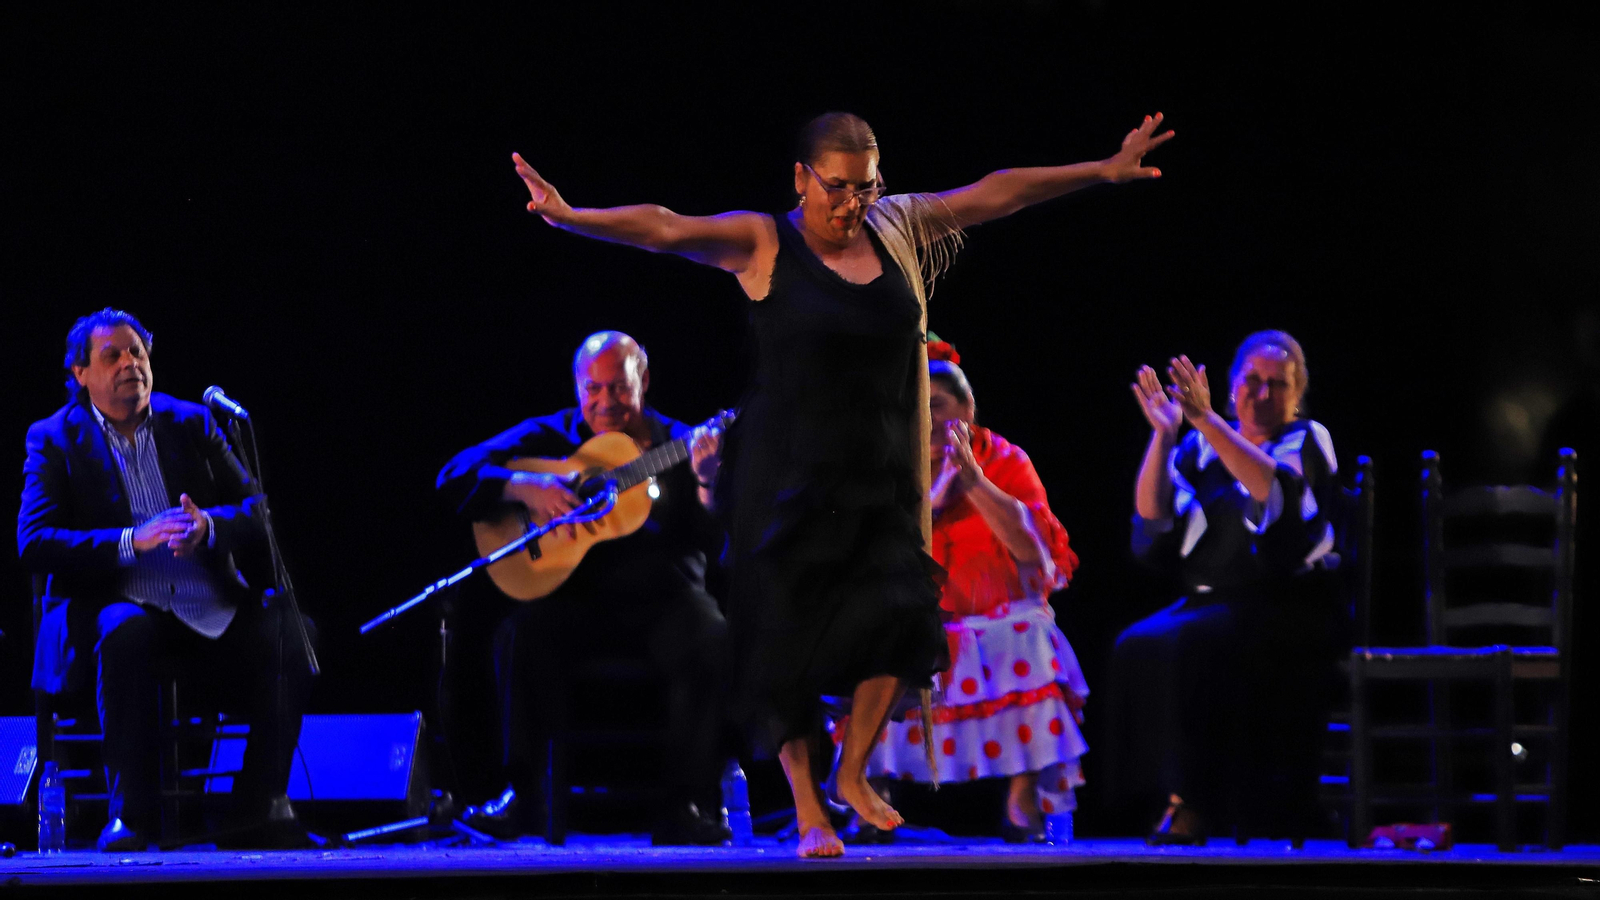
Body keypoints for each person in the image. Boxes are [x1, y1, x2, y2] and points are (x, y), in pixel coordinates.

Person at [509, 110, 1172, 857]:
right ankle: (809, 809)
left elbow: (998, 192)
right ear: (802, 178)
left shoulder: (895, 228)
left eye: (866, 186)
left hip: (880, 472)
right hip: (784, 476)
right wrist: (570, 219)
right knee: (783, 642)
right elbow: (665, 227)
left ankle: (852, 773)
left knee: (902, 615)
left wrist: (1101, 170)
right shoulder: (765, 241)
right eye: (837, 187)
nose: (852, 203)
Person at [17, 308, 317, 852]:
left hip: (205, 605)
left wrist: (209, 525)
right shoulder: (53, 439)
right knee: (126, 630)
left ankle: (259, 805)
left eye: (138, 352)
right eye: (114, 355)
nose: (131, 363)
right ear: (81, 373)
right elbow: (34, 541)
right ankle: (130, 815)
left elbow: (258, 511)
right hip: (116, 607)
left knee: (293, 635)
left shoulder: (193, 422)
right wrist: (134, 540)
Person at [435, 331, 731, 845]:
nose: (605, 402)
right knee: (519, 635)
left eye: (619, 388)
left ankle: (685, 800)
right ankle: (521, 794)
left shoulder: (680, 442)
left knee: (711, 638)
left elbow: (717, 542)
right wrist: (524, 485)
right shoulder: (553, 436)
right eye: (592, 389)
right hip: (575, 602)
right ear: (577, 386)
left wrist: (707, 483)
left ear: (644, 383)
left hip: (665, 601)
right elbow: (453, 474)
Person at [1107, 330, 1343, 844]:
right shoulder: (1199, 444)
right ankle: (1154, 797)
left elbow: (1274, 493)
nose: (1262, 393)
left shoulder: (1306, 438)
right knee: (1135, 643)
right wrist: (1165, 435)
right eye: (1252, 380)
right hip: (1210, 601)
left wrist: (1206, 420)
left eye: (1277, 384)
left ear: (1297, 394)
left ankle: (1191, 803)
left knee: (1184, 644)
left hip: (1286, 601)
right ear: (1233, 384)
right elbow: (1153, 517)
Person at [856, 340, 1089, 843]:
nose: (929, 418)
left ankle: (1022, 802)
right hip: (923, 618)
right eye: (918, 407)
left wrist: (976, 484)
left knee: (1027, 631)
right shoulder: (897, 462)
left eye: (938, 405)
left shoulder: (1007, 458)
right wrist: (938, 494)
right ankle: (869, 799)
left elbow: (1033, 552)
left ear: (968, 409)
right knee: (871, 634)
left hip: (998, 617)